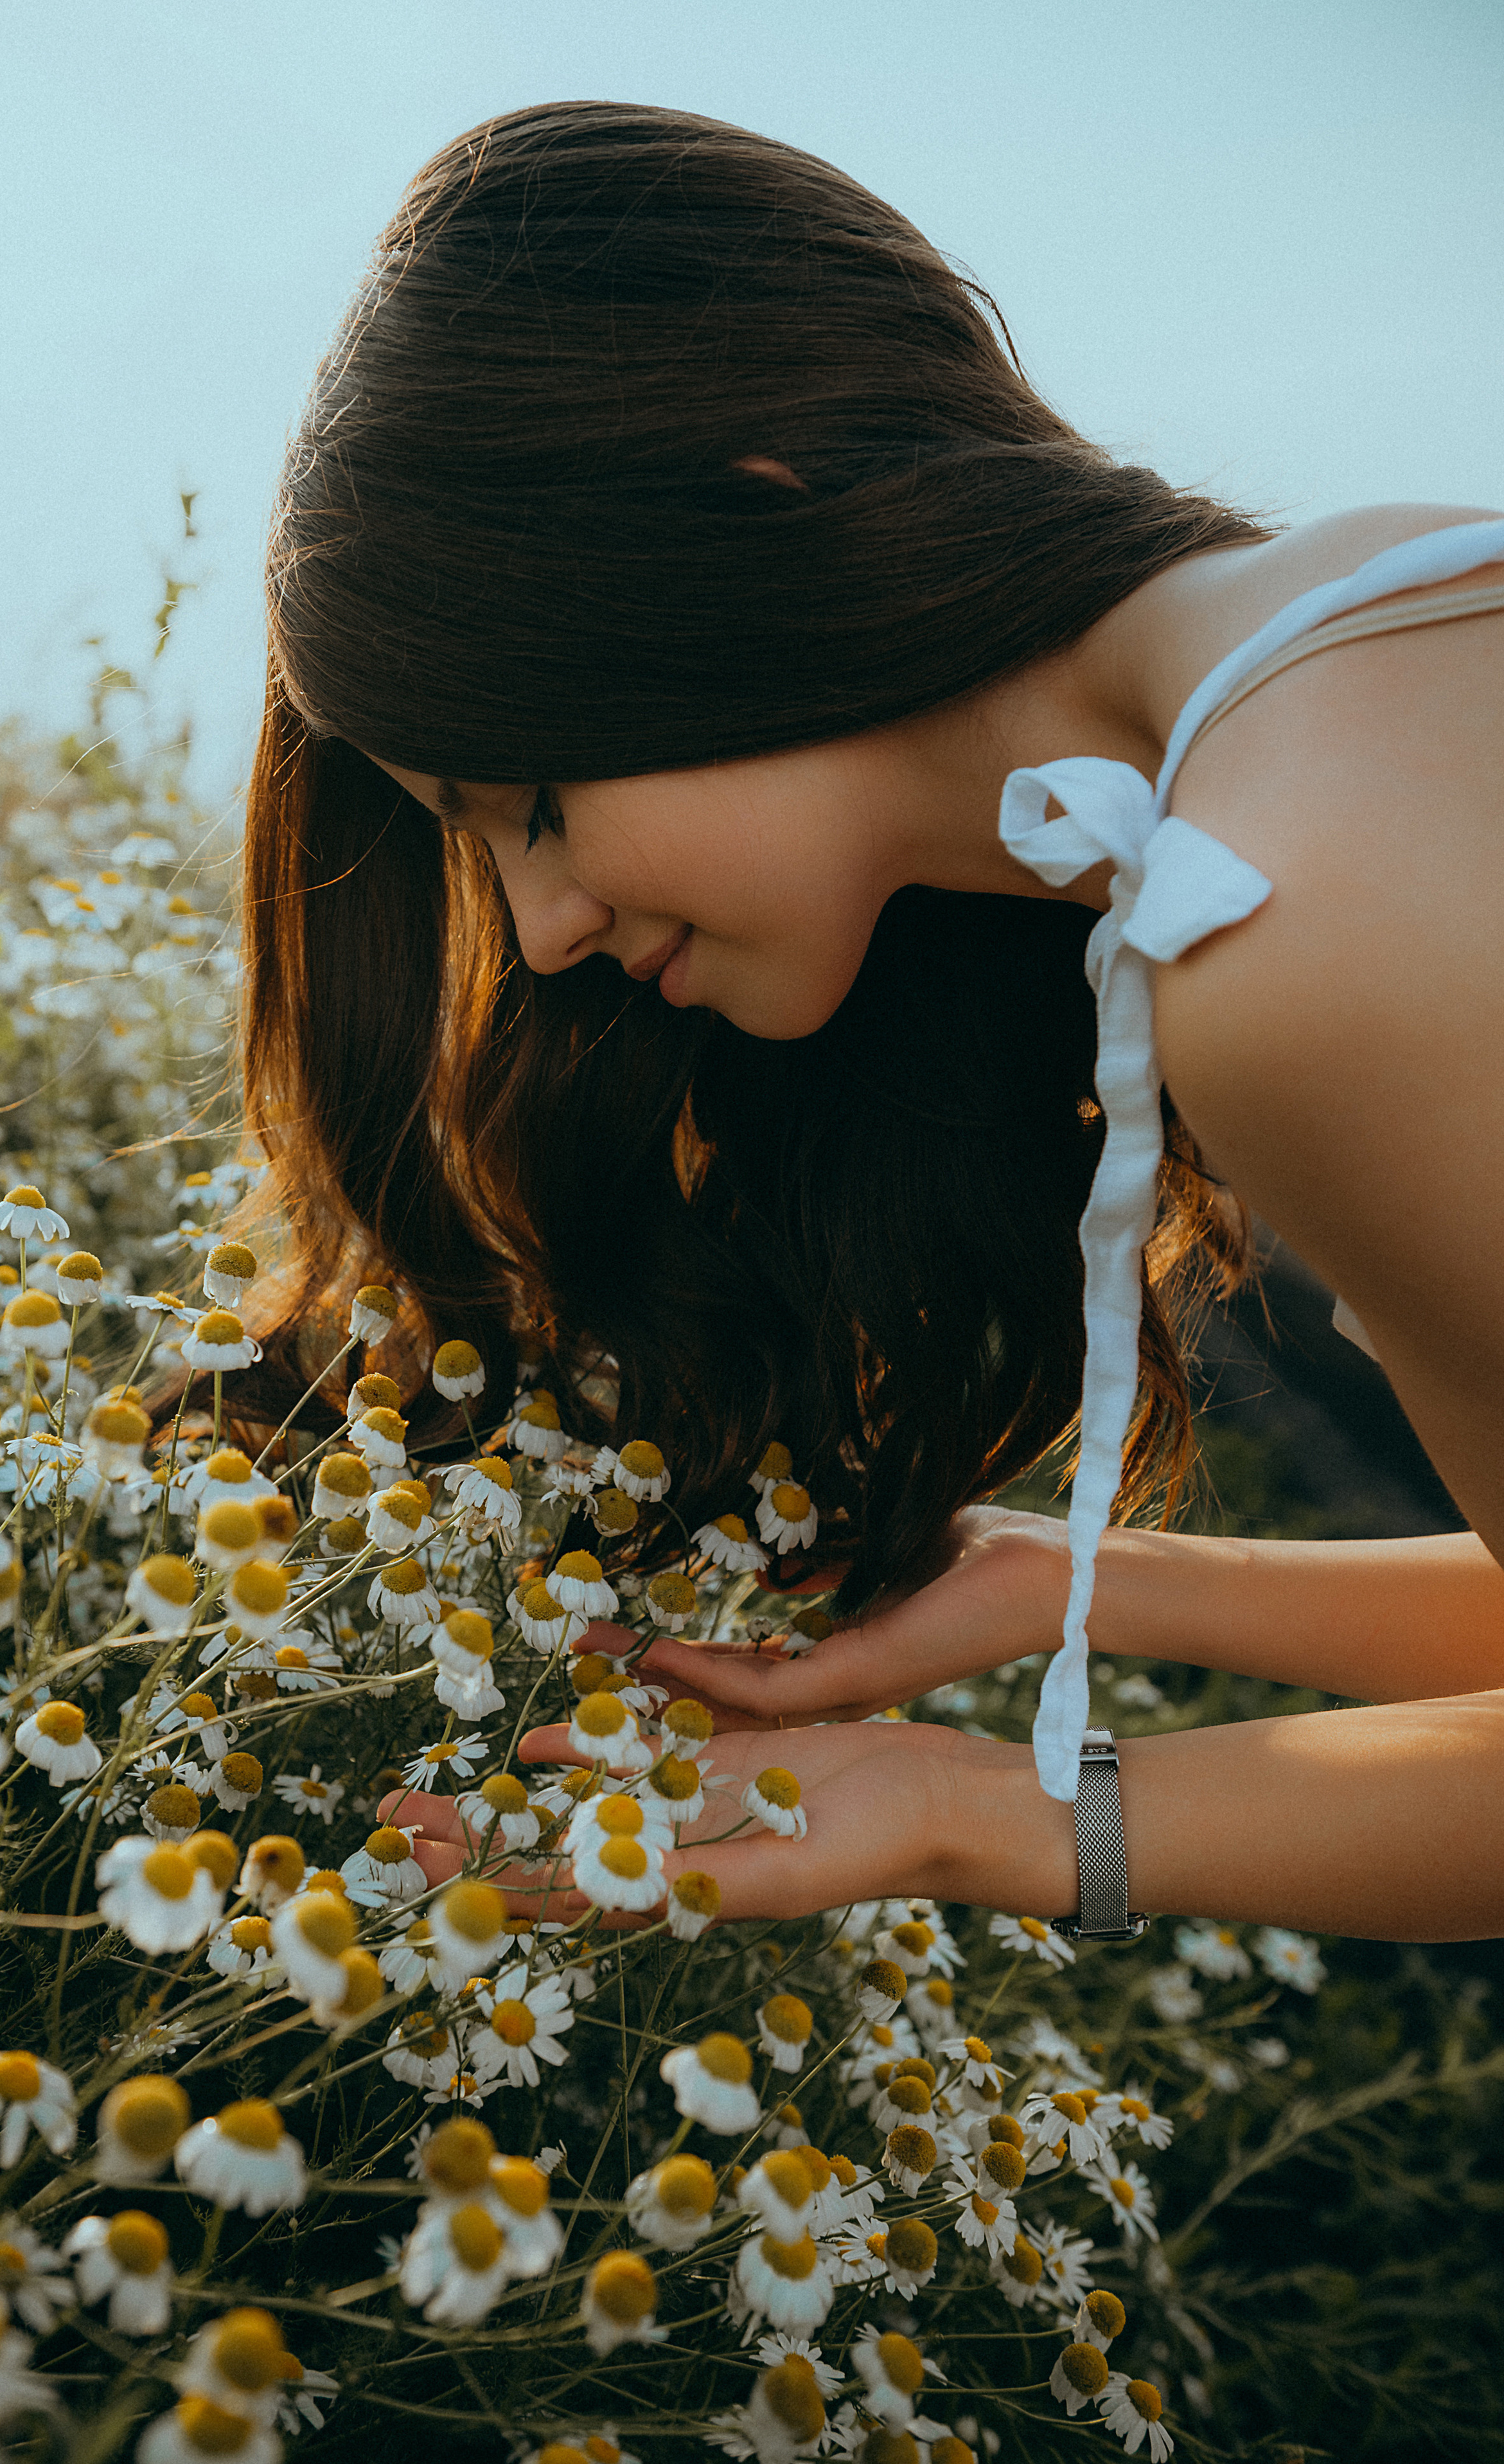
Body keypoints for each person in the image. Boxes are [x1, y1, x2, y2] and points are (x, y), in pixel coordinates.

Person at [243, 101, 1504, 1942]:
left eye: (527, 807)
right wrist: (1071, 1584)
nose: (547, 928)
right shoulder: (1383, 600)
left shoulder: (1290, 926)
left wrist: (978, 1812)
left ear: (745, 514)